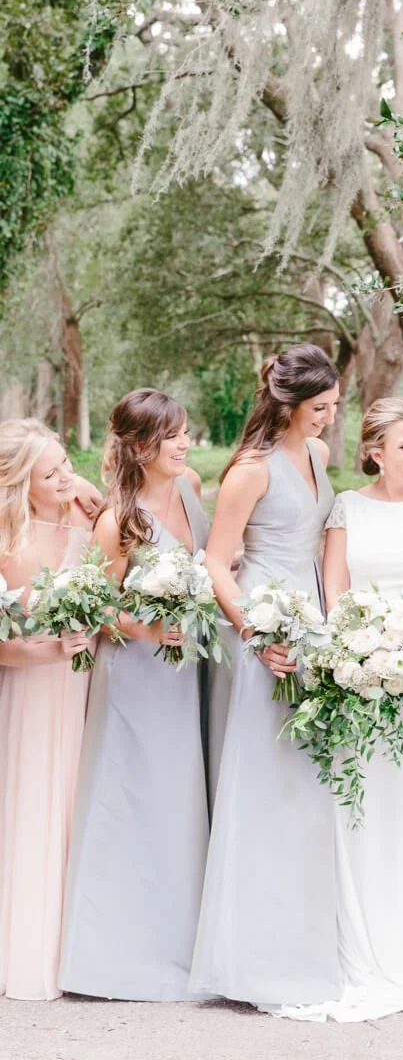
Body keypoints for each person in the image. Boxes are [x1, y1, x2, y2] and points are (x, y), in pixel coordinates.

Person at [287, 396, 403, 1021]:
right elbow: (334, 590)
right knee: (364, 800)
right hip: (359, 674)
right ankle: (363, 943)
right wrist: (358, 653)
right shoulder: (348, 507)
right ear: (374, 452)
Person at [189, 344, 342, 1009]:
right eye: (320, 407)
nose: (329, 418)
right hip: (265, 626)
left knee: (306, 783)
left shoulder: (319, 455)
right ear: (289, 404)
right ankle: (250, 957)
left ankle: (303, 938)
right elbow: (216, 562)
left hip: (312, 620)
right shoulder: (250, 471)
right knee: (264, 782)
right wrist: (256, 633)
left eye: (333, 406)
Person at [59, 390, 209, 1001]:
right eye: (173, 436)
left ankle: (181, 940)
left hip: (183, 673)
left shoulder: (191, 489)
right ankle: (115, 955)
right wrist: (147, 630)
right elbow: (95, 606)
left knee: (177, 798)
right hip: (135, 676)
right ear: (142, 447)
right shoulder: (118, 519)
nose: (185, 444)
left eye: (185, 432)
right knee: (133, 798)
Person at [0, 420, 93, 1001]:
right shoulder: (7, 540)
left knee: (82, 804)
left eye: (66, 464)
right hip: (34, 689)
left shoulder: (84, 510)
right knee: (36, 805)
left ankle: (85, 950)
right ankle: (30, 951)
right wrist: (47, 651)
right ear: (19, 483)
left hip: (88, 685)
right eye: (50, 473)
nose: (66, 477)